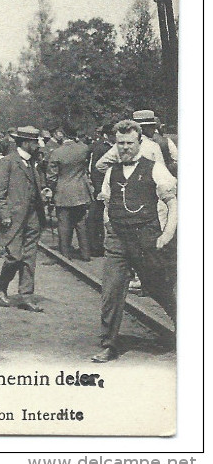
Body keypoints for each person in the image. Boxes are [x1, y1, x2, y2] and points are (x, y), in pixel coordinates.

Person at [92, 120, 177, 363]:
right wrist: (109, 224)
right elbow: (107, 202)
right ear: (115, 144)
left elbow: (173, 204)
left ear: (139, 142)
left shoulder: (155, 168)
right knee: (110, 290)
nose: (125, 148)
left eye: (130, 143)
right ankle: (108, 344)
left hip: (146, 238)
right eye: (121, 143)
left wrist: (166, 234)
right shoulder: (112, 171)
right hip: (118, 239)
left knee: (158, 286)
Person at [0, 126, 51, 312]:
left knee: (29, 258)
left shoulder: (34, 162)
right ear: (25, 143)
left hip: (33, 216)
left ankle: (26, 295)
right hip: (14, 218)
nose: (38, 146)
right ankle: (2, 286)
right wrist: (4, 215)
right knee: (14, 257)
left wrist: (43, 193)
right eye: (34, 142)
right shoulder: (8, 162)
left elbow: (34, 186)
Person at [45, 127, 94, 261]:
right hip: (80, 192)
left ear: (63, 135)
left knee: (64, 225)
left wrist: (51, 190)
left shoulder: (56, 153)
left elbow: (51, 177)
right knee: (81, 224)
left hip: (63, 192)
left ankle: (65, 255)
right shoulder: (83, 149)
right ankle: (85, 254)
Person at [86, 123, 115, 258]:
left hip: (113, 187)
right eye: (114, 135)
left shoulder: (115, 147)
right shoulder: (101, 148)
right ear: (108, 135)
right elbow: (95, 170)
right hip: (102, 188)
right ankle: (95, 247)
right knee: (96, 217)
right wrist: (98, 190)